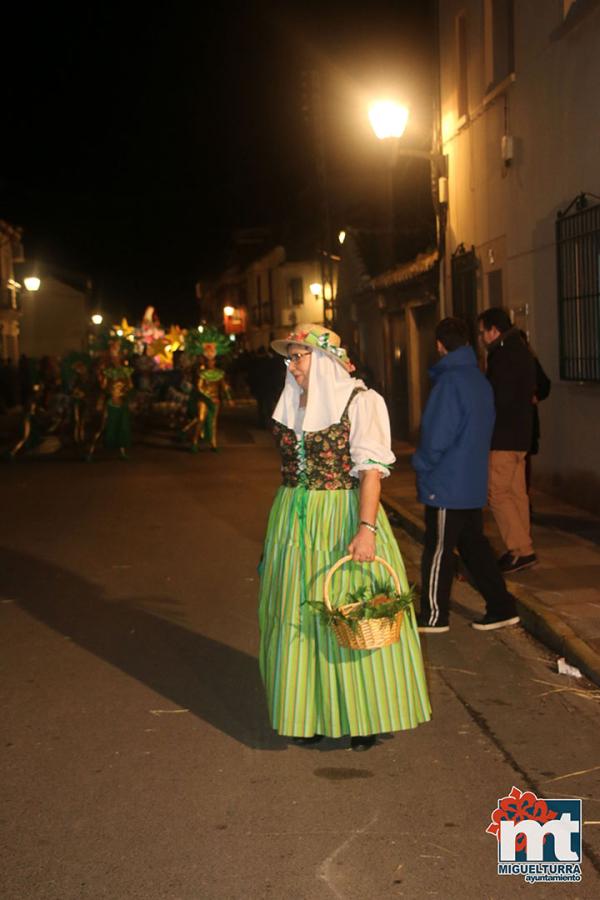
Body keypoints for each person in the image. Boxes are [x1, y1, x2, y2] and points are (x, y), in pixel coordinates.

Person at [258, 323, 430, 752]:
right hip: (293, 517)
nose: (291, 365)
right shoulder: (292, 402)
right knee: (297, 613)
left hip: (340, 515)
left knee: (348, 609)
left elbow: (370, 472)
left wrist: (366, 529)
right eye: (289, 357)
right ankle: (308, 710)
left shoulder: (360, 401)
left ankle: (363, 717)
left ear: (324, 361)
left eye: (298, 356)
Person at [412, 318, 520, 632]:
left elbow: (436, 435)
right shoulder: (478, 379)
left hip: (447, 482)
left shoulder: (449, 383)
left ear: (439, 345)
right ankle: (502, 606)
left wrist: (421, 463)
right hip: (470, 479)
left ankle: (433, 615)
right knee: (474, 547)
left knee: (439, 549)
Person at [478, 308, 537, 574]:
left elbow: (497, 399)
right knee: (516, 493)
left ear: (494, 330)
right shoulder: (522, 349)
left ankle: (519, 548)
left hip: (503, 436)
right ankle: (523, 549)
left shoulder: (502, 355)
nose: (481, 338)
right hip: (522, 434)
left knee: (498, 493)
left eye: (482, 332)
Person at [519, 330, 551, 498]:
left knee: (525, 461)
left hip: (527, 419)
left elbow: (545, 385)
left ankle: (524, 496)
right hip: (518, 420)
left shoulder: (531, 362)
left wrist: (535, 397)